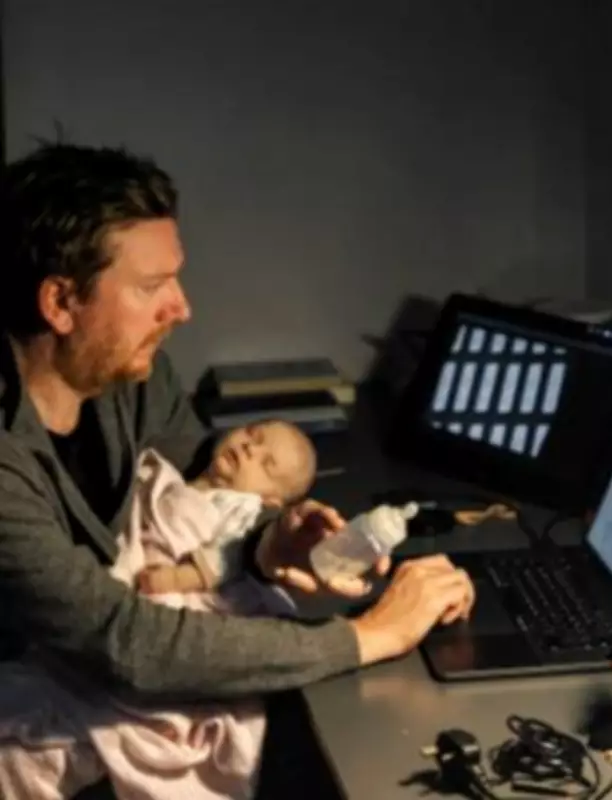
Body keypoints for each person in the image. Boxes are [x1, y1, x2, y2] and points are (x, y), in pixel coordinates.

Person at [0, 141, 475, 797]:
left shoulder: (128, 375)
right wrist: (371, 634)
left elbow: (206, 480)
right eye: (151, 286)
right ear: (59, 302)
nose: (181, 308)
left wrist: (267, 540)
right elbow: (126, 644)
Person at [135, 419, 318, 596]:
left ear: (269, 500)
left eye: (266, 464)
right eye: (252, 434)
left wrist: (176, 579)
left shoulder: (243, 506)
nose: (250, 448)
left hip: (161, 570)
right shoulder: (176, 472)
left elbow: (226, 558)